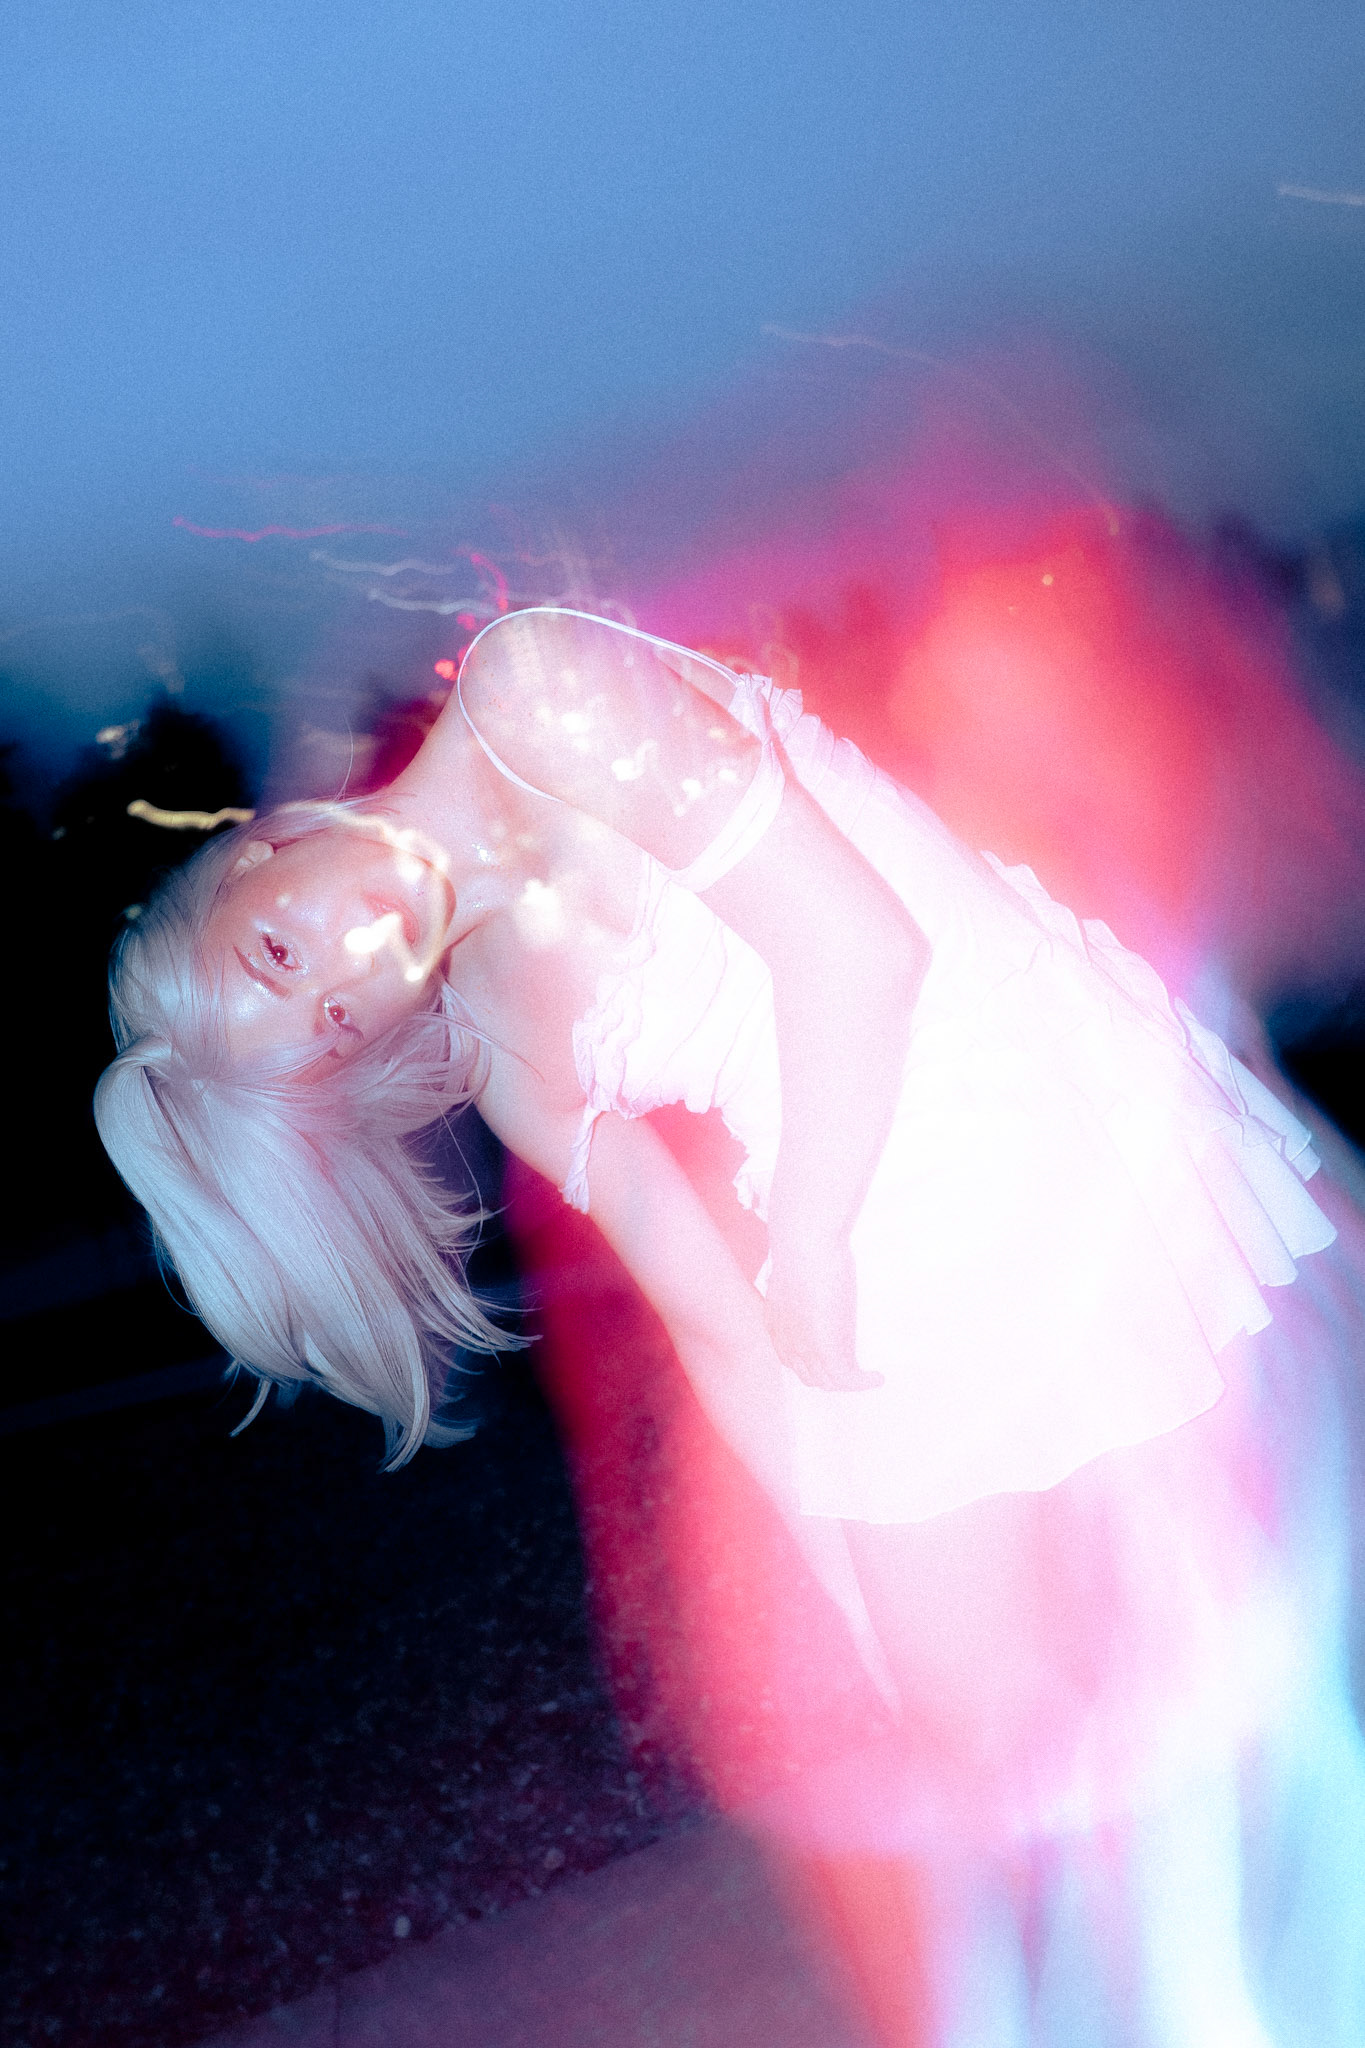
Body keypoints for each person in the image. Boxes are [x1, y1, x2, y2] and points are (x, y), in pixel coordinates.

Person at [95, 607, 1365, 2046]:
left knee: (1181, 1661)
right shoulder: (500, 1039)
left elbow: (856, 953)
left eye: (279, 954)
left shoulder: (534, 687)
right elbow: (713, 1317)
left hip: (1005, 1104)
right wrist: (841, 1566)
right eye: (332, 1025)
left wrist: (808, 1249)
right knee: (1007, 1749)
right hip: (877, 1240)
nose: (352, 977)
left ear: (258, 856)